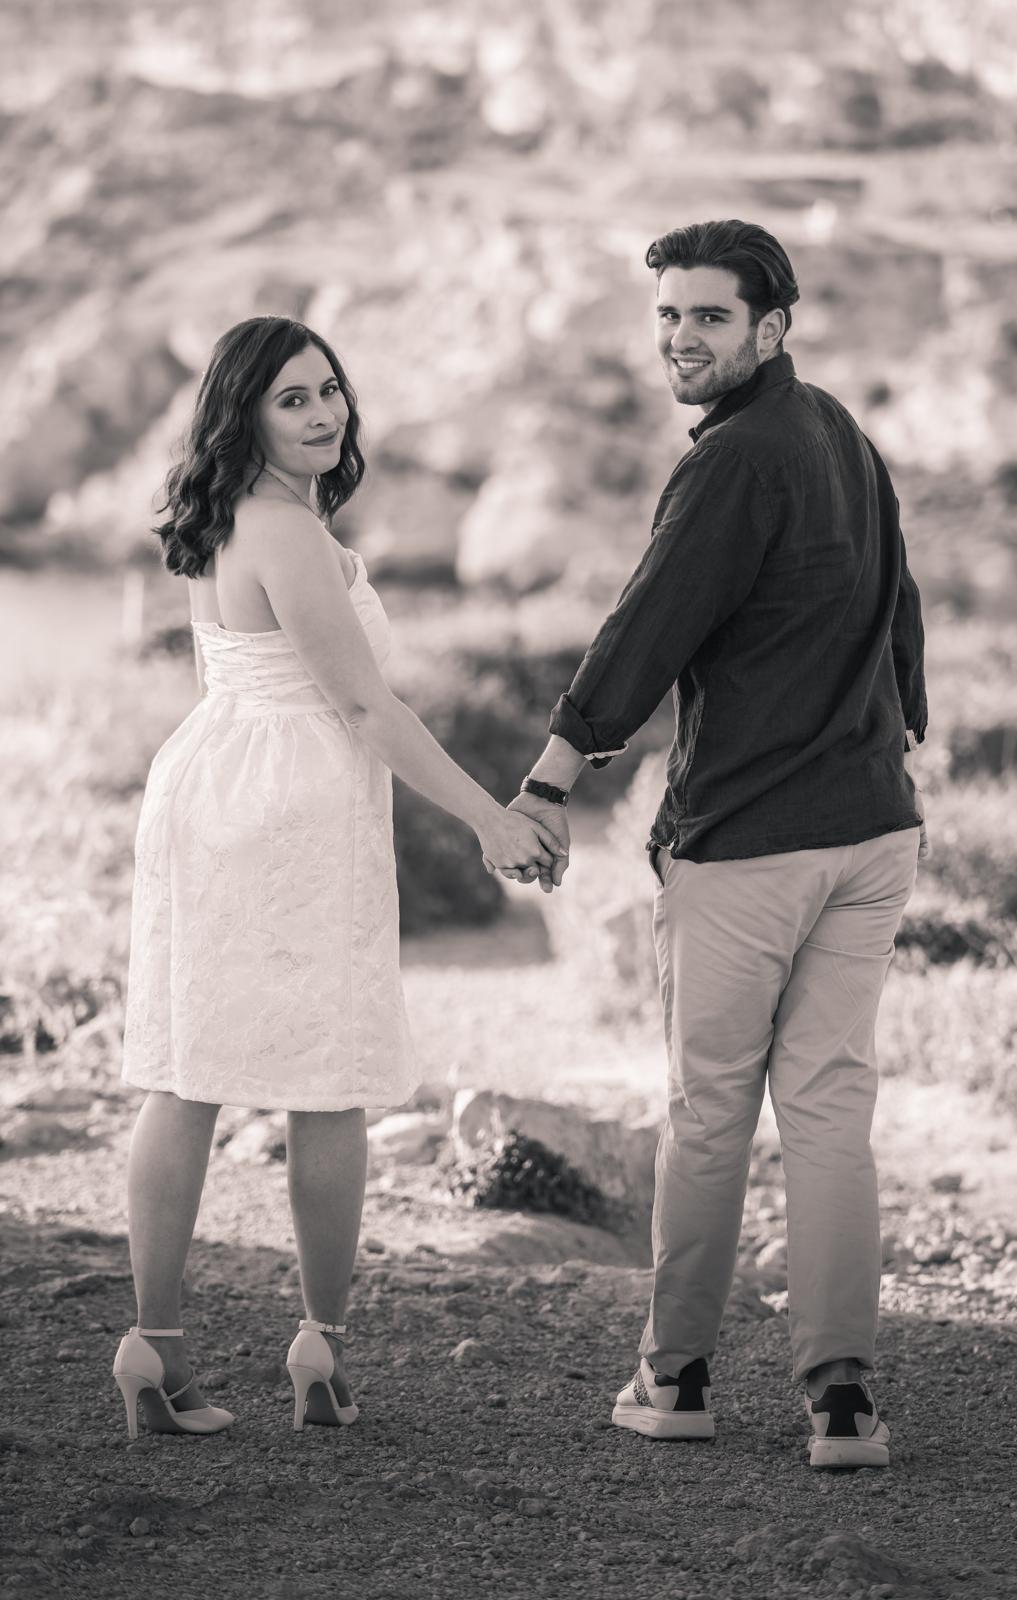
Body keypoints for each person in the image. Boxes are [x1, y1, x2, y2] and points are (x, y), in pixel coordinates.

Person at [507, 220, 929, 1469]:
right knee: (829, 1113)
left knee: (706, 1117)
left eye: (706, 318)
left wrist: (546, 778)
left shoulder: (734, 459)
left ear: (770, 329)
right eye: (667, 318)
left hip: (749, 846)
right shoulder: (841, 434)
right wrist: (901, 729)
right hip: (870, 834)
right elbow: (899, 603)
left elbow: (646, 630)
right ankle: (843, 1402)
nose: (680, 339)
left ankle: (676, 1374)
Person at [113, 316, 565, 1440]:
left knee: (186, 1065)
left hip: (210, 779)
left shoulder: (230, 515)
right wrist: (487, 818)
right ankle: (319, 1343)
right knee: (320, 1076)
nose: (323, 415)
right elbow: (364, 707)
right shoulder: (289, 531)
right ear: (243, 414)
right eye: (292, 400)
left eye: (329, 392)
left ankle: (152, 1345)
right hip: (292, 802)